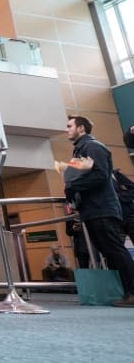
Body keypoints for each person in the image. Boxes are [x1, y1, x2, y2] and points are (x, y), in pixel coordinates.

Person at [64, 115, 134, 307]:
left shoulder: (93, 147)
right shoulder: (80, 150)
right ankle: (127, 291)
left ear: (81, 128)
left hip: (101, 208)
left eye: (70, 126)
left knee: (115, 250)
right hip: (93, 209)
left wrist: (73, 186)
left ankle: (132, 292)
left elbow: (101, 176)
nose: (67, 129)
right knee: (109, 251)